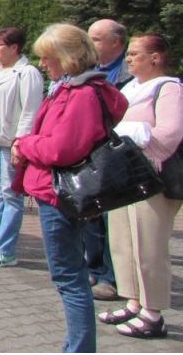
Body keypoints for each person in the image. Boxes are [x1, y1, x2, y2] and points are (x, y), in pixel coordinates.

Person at [13, 24, 128, 353]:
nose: (42, 64)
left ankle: (79, 348)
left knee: (69, 278)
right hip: (61, 191)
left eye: (47, 58)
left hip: (58, 194)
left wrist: (25, 144)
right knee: (71, 275)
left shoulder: (81, 94)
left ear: (67, 58)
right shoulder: (82, 89)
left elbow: (62, 149)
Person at [100, 33, 183, 339]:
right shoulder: (130, 87)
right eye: (130, 53)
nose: (130, 58)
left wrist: (137, 145)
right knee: (124, 242)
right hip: (128, 177)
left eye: (136, 53)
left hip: (152, 179)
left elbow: (170, 134)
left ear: (156, 58)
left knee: (149, 246)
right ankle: (133, 301)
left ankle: (153, 312)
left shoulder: (169, 89)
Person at [0, 27, 43, 268]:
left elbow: (30, 110)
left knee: (12, 196)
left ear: (15, 47)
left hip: (10, 143)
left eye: (0, 44)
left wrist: (20, 142)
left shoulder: (27, 73)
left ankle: (7, 249)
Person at [84, 19, 132, 301]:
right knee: (92, 214)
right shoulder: (92, 72)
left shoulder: (130, 75)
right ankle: (94, 267)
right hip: (93, 153)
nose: (91, 44)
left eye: (97, 39)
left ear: (117, 43)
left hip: (118, 155)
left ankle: (112, 278)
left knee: (113, 219)